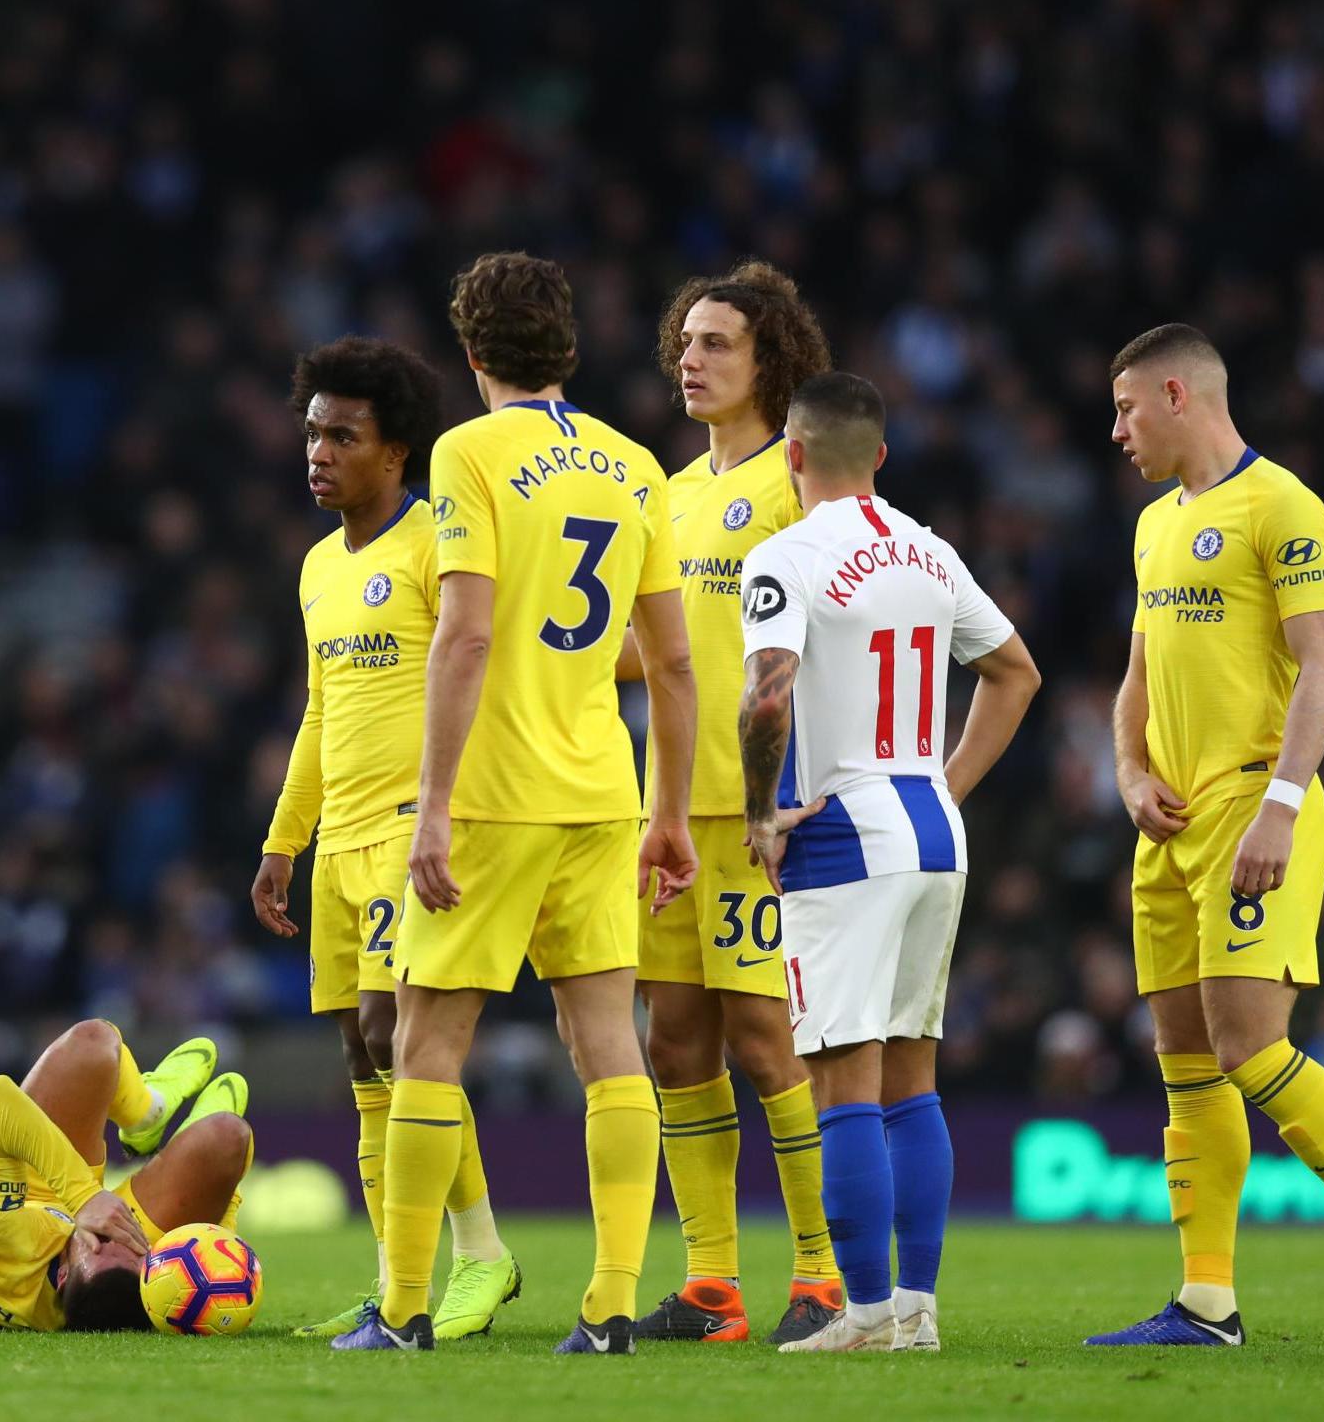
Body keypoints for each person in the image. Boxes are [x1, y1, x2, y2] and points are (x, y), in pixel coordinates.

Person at [334, 251, 698, 1355]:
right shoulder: (636, 465)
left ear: (472, 350)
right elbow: (672, 664)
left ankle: (401, 1307)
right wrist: (668, 811)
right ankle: (611, 1303)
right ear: (566, 347)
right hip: (601, 792)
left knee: (428, 1042)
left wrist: (431, 805)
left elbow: (469, 630)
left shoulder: (468, 453)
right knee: (607, 1047)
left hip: (493, 796)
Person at [735, 370, 1038, 1354]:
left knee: (839, 1082)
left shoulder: (782, 555)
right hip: (931, 825)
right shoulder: (930, 549)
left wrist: (760, 812)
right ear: (878, 453)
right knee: (913, 1077)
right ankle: (915, 1311)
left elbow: (765, 698)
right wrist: (945, 781)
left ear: (789, 453)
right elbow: (1013, 671)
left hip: (840, 830)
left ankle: (860, 1312)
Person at [1088, 324, 1324, 1348]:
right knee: (1186, 1061)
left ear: (1173, 393)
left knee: (1250, 1045)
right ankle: (1205, 1301)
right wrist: (1125, 774)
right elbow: (1136, 675)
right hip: (1168, 820)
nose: (1114, 430)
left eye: (1122, 409)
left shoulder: (1281, 505)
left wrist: (1281, 802)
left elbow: (1322, 665)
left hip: (1255, 802)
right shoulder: (1156, 524)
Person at [251, 336, 519, 1341]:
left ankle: (483, 1254)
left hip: (418, 831)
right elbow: (321, 710)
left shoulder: (435, 544)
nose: (316, 451)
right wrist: (285, 840)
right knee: (363, 1064)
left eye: (342, 436)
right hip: (340, 841)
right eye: (311, 431)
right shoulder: (320, 564)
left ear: (395, 452)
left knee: (390, 1033)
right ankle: (392, 1279)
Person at [625, 261, 844, 1346]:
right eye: (685, 341)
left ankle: (822, 1271)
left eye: (716, 343)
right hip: (670, 806)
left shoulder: (793, 481)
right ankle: (711, 1284)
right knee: (675, 1041)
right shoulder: (669, 493)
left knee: (765, 1037)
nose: (691, 359)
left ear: (771, 361)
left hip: (764, 805)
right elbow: (653, 650)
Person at [0, 1021, 250, 1332]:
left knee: (93, 1041)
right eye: (130, 1246)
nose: (113, 1228)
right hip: (101, 1245)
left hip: (30, 1199)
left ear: (62, 1276)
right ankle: (148, 1121)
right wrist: (220, 1226)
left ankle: (146, 1112)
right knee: (228, 1136)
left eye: (101, 1240)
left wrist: (85, 1198)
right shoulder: (139, 1274)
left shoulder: (2, 1248)